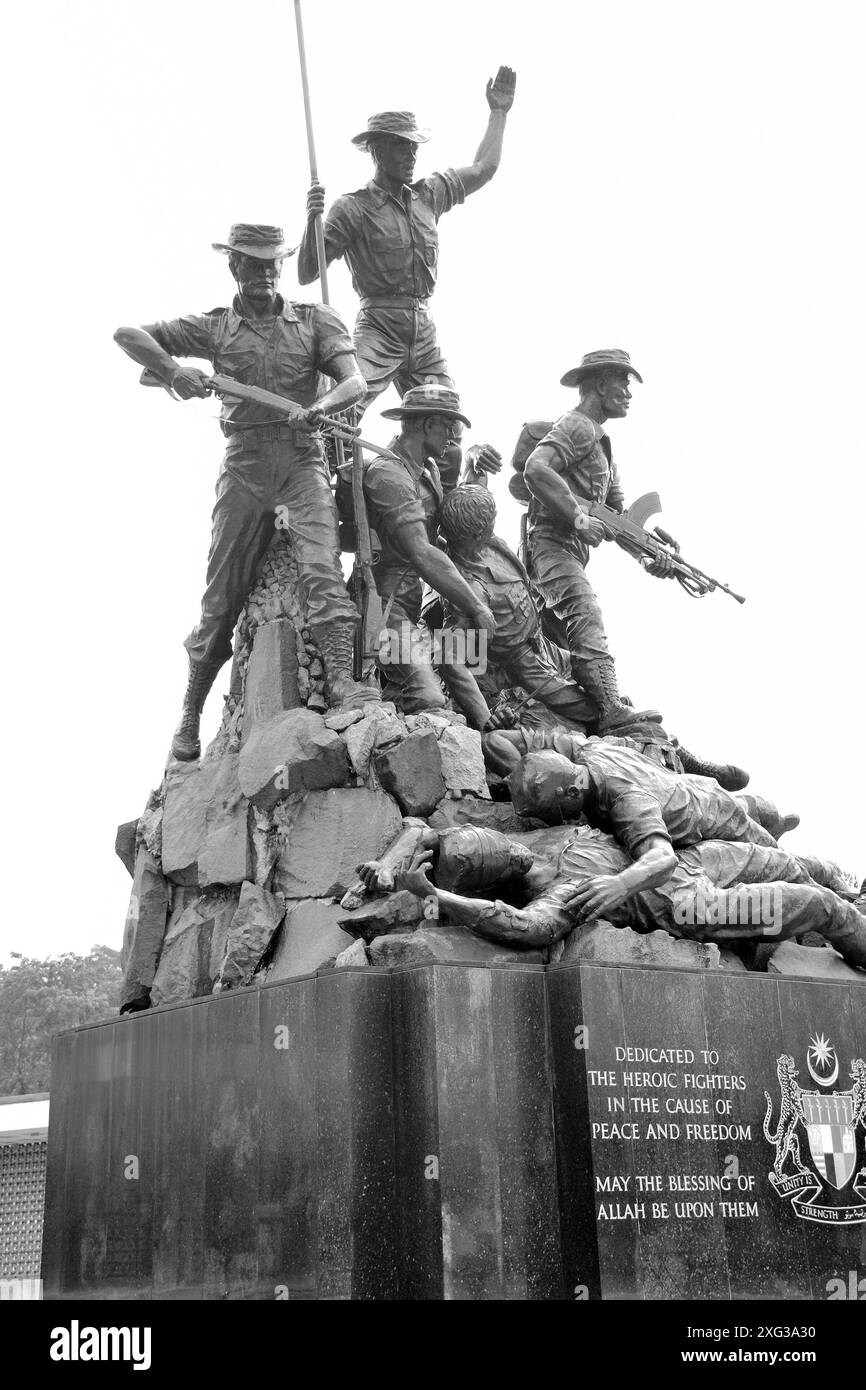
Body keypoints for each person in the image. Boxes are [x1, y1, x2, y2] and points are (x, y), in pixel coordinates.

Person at [114, 223, 377, 761]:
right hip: (244, 464)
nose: (262, 275)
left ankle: (344, 686)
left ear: (279, 268)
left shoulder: (314, 321)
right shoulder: (215, 329)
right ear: (233, 267)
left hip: (301, 461)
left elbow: (357, 383)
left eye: (270, 265)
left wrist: (322, 410)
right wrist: (173, 371)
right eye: (251, 265)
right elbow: (128, 334)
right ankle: (189, 713)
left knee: (323, 573)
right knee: (221, 595)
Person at [298, 67, 516, 471]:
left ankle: (444, 512)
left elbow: (484, 168)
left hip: (423, 328)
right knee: (339, 411)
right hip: (379, 325)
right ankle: (331, 496)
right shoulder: (354, 207)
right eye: (401, 147)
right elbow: (308, 272)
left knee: (449, 434)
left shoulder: (429, 195)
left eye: (414, 147)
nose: (411, 155)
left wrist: (499, 112)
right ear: (378, 151)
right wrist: (311, 221)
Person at [372, 822, 866, 970]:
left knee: (796, 863)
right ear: (488, 876)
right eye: (484, 858)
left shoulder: (545, 833)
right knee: (820, 906)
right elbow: (523, 929)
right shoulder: (555, 895)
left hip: (692, 859)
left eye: (485, 840)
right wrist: (436, 896)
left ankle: (852, 894)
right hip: (689, 906)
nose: (496, 847)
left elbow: (422, 827)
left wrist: (388, 862)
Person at [520, 348, 674, 730]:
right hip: (549, 544)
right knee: (585, 611)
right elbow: (535, 469)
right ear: (601, 383)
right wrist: (576, 515)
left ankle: (583, 709)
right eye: (622, 382)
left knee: (555, 642)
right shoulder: (577, 426)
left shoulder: (603, 447)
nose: (628, 392)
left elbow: (620, 519)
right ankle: (608, 708)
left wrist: (650, 555)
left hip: (567, 550)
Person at [361, 385, 500, 721]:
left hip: (413, 606)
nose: (453, 435)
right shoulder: (388, 475)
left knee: (465, 674)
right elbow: (422, 552)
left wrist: (474, 463)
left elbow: (459, 518)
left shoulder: (428, 471)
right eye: (448, 425)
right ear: (426, 425)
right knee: (428, 699)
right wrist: (474, 605)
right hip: (386, 607)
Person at [507, 744, 798, 854]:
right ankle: (775, 822)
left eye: (558, 813)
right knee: (750, 807)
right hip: (697, 787)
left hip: (712, 815)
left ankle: (830, 884)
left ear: (571, 793)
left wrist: (618, 885)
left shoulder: (628, 804)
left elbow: (660, 858)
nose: (566, 820)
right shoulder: (591, 751)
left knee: (773, 855)